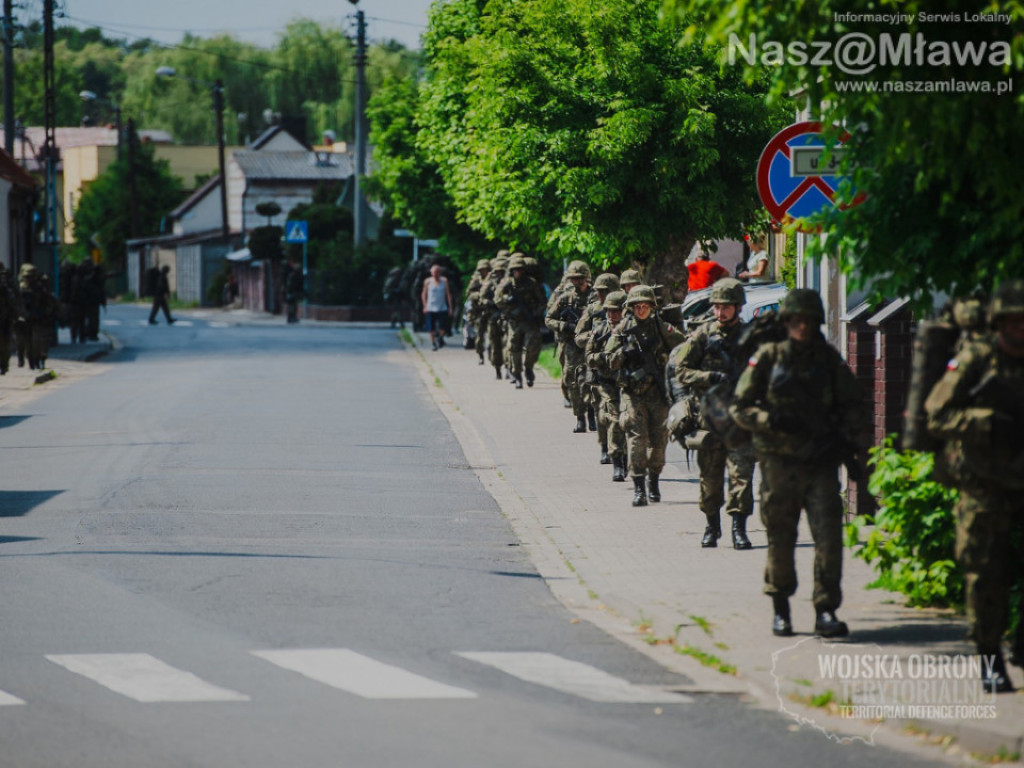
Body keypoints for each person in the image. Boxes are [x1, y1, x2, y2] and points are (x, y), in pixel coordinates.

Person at [730, 289, 867, 638]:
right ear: (787, 321)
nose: (802, 326)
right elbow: (740, 407)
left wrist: (847, 441)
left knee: (828, 539)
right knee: (780, 538)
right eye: (796, 320)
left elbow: (854, 406)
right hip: (779, 465)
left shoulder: (828, 360)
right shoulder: (768, 357)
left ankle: (825, 610)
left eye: (808, 320)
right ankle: (781, 608)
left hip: (820, 464)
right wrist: (770, 421)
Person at [925, 280, 1024, 694]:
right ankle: (990, 659)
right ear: (999, 323)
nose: (1019, 329)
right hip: (983, 483)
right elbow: (937, 414)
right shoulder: (976, 360)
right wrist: (982, 422)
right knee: (986, 574)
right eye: (1012, 322)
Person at [672, 278, 756, 549]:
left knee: (741, 477)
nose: (721, 312)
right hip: (709, 420)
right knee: (709, 479)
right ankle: (712, 527)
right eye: (717, 307)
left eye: (726, 307)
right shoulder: (703, 336)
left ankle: (739, 529)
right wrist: (710, 377)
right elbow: (681, 371)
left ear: (737, 307)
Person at [605, 284, 686, 506]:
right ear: (630, 308)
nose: (641, 310)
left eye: (645, 306)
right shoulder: (622, 329)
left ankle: (654, 482)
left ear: (652, 306)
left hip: (658, 393)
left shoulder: (662, 328)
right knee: (636, 440)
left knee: (659, 442)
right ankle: (639, 488)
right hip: (633, 394)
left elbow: (685, 348)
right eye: (637, 307)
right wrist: (624, 353)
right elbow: (608, 361)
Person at [584, 290, 629, 481]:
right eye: (609, 311)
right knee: (614, 420)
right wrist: (602, 358)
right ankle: (617, 462)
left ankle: (635, 461)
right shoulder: (600, 330)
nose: (612, 316)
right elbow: (588, 356)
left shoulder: (631, 329)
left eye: (616, 311)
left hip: (630, 383)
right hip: (608, 384)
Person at [545, 261, 593, 432]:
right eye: (573, 279)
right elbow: (549, 319)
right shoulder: (565, 298)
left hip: (591, 343)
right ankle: (580, 417)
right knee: (571, 381)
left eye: (580, 279)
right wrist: (566, 326)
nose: (577, 282)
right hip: (571, 344)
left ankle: (592, 413)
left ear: (587, 278)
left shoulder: (595, 297)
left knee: (589, 379)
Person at [495, 253, 547, 388]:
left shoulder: (531, 283)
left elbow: (542, 301)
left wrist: (536, 313)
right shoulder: (506, 283)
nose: (518, 272)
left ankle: (529, 368)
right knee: (514, 348)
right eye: (515, 270)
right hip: (514, 321)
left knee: (533, 345)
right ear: (512, 271)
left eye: (520, 269)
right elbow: (497, 300)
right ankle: (517, 375)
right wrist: (508, 300)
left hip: (529, 320)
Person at [465, 259, 492, 363]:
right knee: (479, 337)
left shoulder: (492, 279)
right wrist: (479, 296)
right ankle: (480, 355)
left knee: (491, 336)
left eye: (485, 269)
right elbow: (468, 293)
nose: (483, 271)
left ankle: (491, 354)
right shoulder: (476, 280)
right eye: (482, 270)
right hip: (479, 312)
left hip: (489, 310)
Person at [421, 263, 453, 350]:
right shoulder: (428, 281)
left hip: (442, 307)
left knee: (443, 326)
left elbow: (448, 294)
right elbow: (423, 294)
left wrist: (450, 307)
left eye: (437, 272)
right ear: (431, 273)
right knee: (430, 328)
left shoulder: (444, 280)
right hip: (430, 307)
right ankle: (433, 343)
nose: (435, 274)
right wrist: (424, 306)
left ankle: (440, 338)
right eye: (434, 272)